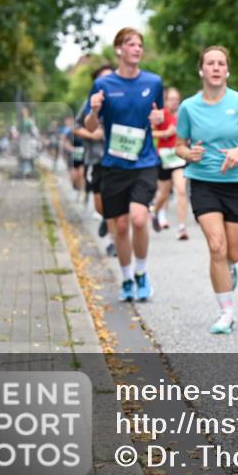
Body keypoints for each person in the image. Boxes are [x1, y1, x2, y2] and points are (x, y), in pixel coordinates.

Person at [175, 46, 238, 334]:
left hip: (236, 184)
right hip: (203, 182)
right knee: (216, 246)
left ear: (227, 71)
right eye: (210, 63)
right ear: (201, 70)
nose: (215, 68)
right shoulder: (188, 107)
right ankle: (226, 313)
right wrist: (187, 153)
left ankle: (229, 269)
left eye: (220, 64)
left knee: (233, 253)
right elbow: (179, 144)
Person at [84, 28, 165, 302]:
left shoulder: (153, 82)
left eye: (140, 45)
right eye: (131, 44)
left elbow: (159, 115)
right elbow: (90, 125)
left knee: (139, 218)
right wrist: (94, 110)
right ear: (119, 49)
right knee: (119, 225)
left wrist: (158, 118)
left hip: (144, 161)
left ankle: (142, 273)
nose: (137, 49)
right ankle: (127, 277)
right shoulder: (103, 86)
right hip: (114, 163)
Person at [77, 65, 117, 256]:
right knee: (101, 203)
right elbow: (76, 128)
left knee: (116, 201)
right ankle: (104, 217)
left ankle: (113, 242)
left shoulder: (121, 101)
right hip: (96, 158)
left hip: (117, 159)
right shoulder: (89, 103)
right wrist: (93, 135)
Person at [151, 86, 189, 240]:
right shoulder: (160, 114)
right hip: (164, 157)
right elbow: (150, 132)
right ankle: (155, 212)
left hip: (179, 156)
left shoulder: (182, 115)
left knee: (181, 190)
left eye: (177, 99)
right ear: (165, 101)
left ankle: (182, 228)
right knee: (163, 193)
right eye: (171, 99)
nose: (174, 102)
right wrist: (165, 133)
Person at [61, 116, 85, 194]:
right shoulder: (68, 134)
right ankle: (75, 188)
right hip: (71, 157)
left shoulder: (82, 133)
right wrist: (72, 149)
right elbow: (65, 143)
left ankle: (81, 192)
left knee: (81, 175)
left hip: (81, 156)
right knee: (74, 176)